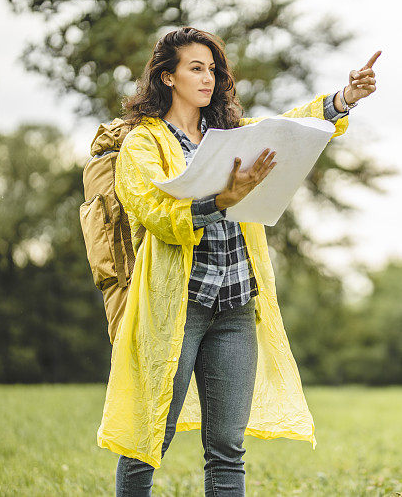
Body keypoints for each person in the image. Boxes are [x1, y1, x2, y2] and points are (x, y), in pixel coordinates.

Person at [95, 26, 379, 496]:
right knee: (148, 438)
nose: (208, 78)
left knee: (227, 448)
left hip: (236, 306)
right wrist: (221, 201)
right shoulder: (142, 144)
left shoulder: (227, 135)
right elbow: (156, 213)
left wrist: (345, 97)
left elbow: (291, 128)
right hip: (176, 308)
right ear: (167, 77)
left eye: (212, 69)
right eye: (195, 68)